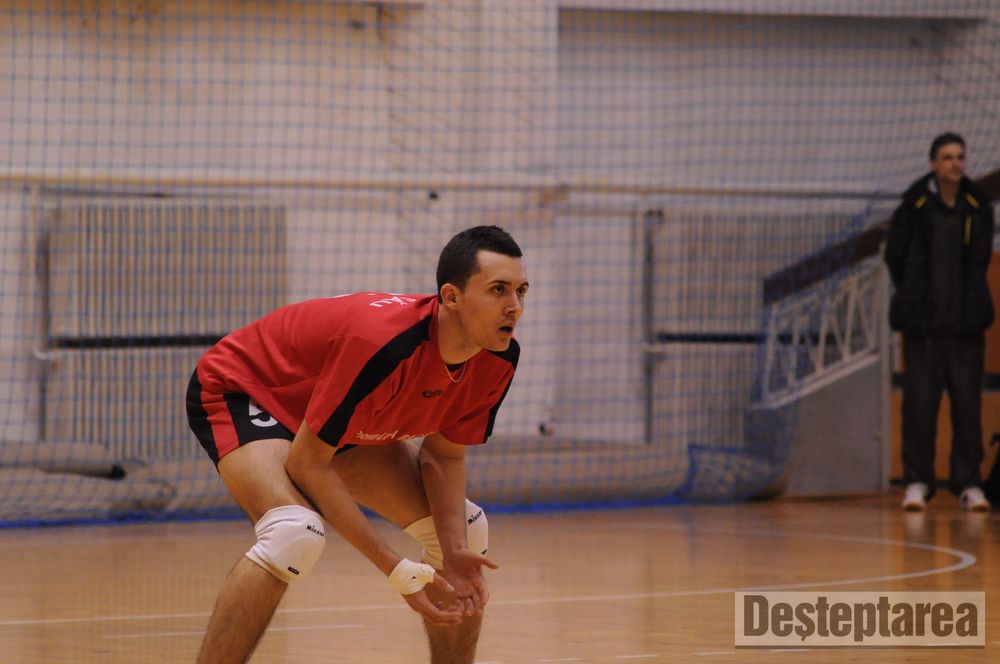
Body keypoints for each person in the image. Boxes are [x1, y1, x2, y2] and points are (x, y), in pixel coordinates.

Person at [185, 225, 529, 663]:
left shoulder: (498, 358)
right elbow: (309, 463)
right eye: (498, 290)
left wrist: (454, 548)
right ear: (451, 297)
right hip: (249, 387)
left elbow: (444, 455)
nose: (514, 306)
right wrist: (393, 566)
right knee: (294, 534)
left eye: (521, 291)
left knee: (466, 529)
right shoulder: (385, 346)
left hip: (334, 418)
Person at [884, 132, 995, 512]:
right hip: (924, 329)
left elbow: (980, 259)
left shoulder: (977, 207)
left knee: (967, 407)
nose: (955, 164)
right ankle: (918, 481)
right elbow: (895, 256)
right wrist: (913, 294)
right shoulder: (914, 206)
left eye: (960, 157)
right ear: (934, 163)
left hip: (965, 328)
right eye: (947, 157)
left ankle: (968, 483)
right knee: (919, 407)